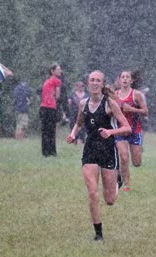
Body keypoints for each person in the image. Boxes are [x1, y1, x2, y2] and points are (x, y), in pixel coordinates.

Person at [66, 70, 131, 241]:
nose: (94, 83)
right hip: (90, 151)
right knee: (93, 193)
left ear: (103, 84)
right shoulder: (82, 103)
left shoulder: (110, 104)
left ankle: (118, 181)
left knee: (109, 200)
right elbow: (79, 123)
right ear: (88, 83)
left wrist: (111, 132)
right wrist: (73, 135)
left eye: (98, 81)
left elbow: (126, 128)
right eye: (92, 80)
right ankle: (98, 234)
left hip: (108, 150)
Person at [115, 70, 149, 192]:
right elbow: (109, 112)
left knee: (137, 163)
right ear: (119, 80)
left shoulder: (137, 94)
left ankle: (139, 148)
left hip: (135, 131)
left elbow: (146, 112)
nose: (124, 79)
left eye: (127, 77)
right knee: (124, 158)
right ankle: (126, 185)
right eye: (122, 77)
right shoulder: (115, 95)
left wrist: (132, 109)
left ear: (131, 80)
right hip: (121, 131)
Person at [40, 63, 62, 157]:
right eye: (57, 69)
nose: (60, 71)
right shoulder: (57, 81)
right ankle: (52, 151)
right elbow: (57, 96)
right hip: (51, 107)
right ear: (52, 71)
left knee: (45, 130)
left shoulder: (47, 81)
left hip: (43, 107)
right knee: (51, 130)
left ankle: (45, 151)